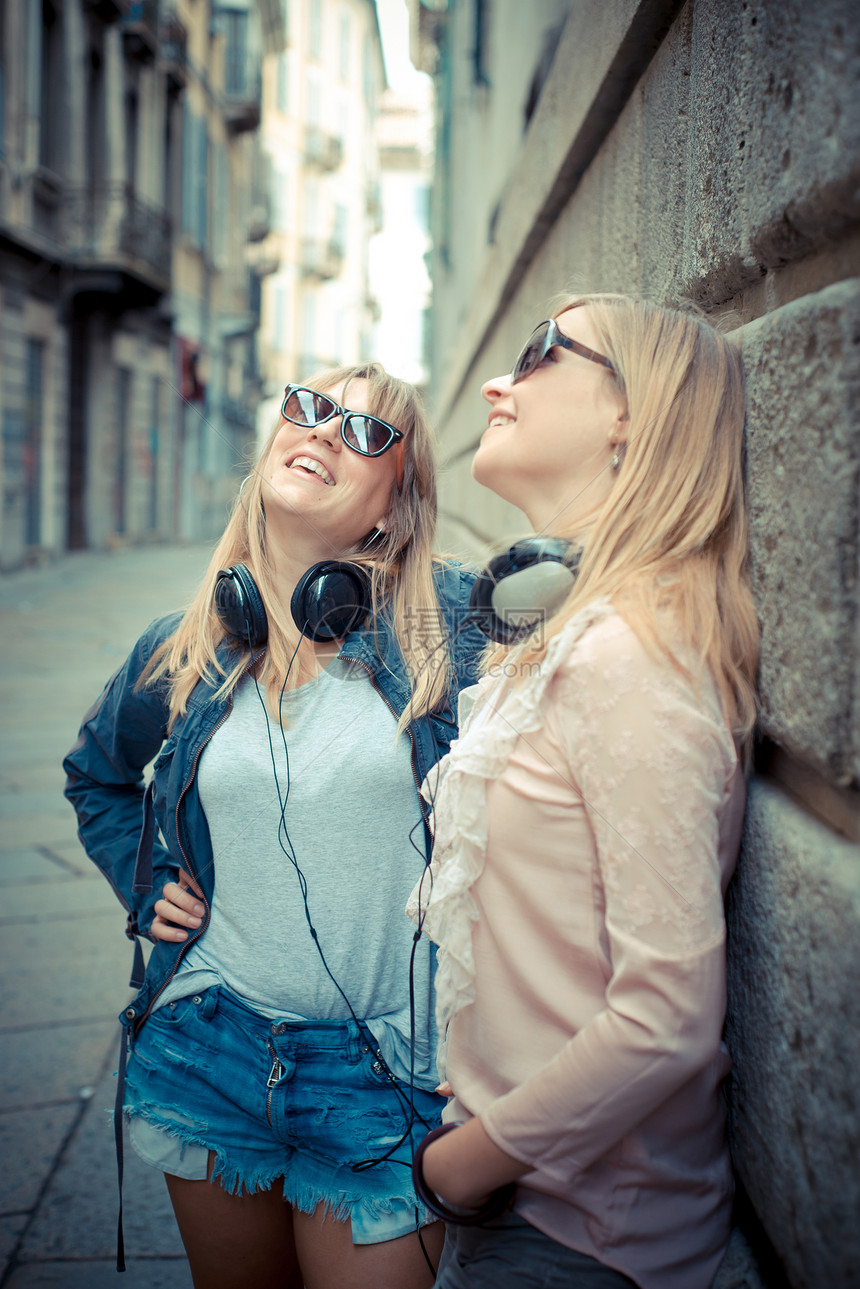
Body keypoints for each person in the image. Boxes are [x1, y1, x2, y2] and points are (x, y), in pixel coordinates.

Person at [63, 364, 486, 1289]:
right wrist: (145, 887)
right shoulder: (185, 645)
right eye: (310, 407)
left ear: (395, 510)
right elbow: (96, 776)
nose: (327, 432)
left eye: (368, 432)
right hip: (206, 1046)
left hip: (387, 1069)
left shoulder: (447, 628)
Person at [408, 296, 760, 1289]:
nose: (494, 383)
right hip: (527, 1190)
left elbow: (664, 1015)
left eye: (535, 354)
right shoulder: (572, 629)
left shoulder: (625, 659)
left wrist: (456, 1168)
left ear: (627, 414)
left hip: (575, 1235)